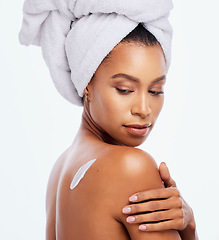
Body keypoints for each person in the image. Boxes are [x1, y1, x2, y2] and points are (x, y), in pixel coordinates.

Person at [19, 1, 198, 239]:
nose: (144, 109)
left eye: (156, 90)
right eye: (124, 89)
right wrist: (190, 226)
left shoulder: (61, 169)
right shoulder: (130, 167)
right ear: (87, 85)